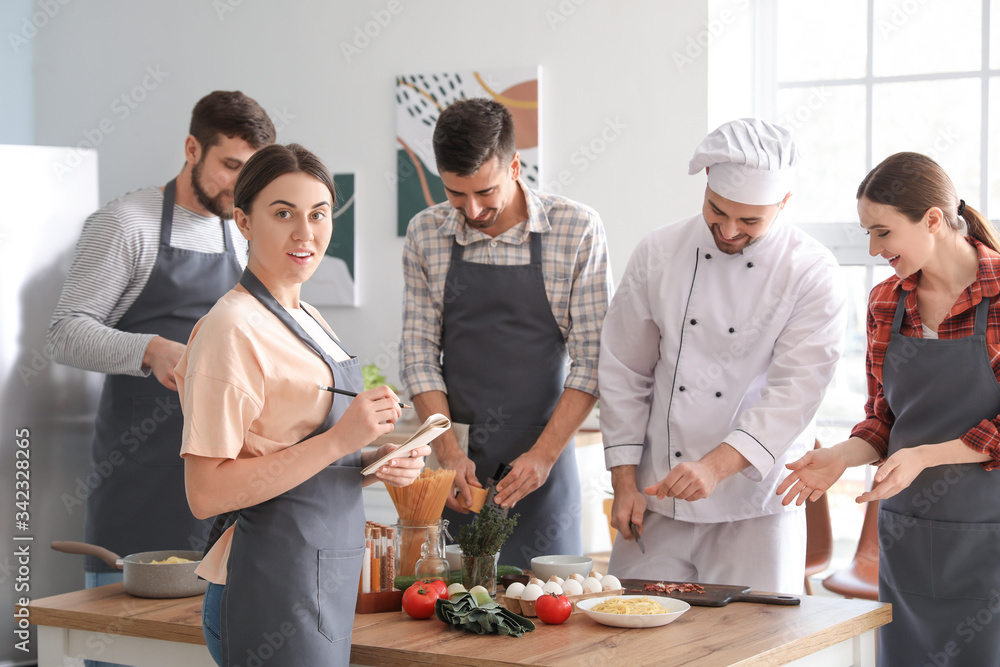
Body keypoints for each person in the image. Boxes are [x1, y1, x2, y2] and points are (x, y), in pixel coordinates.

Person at [178, 143, 429, 666]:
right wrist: (342, 439)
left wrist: (371, 462)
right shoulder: (231, 329)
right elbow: (207, 492)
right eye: (283, 213)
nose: (305, 233)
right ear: (244, 222)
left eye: (318, 215)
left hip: (322, 578)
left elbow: (298, 454)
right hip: (269, 582)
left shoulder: (308, 315)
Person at [599, 118, 848, 594]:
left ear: (784, 204)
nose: (729, 230)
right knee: (632, 641)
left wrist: (714, 467)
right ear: (706, 184)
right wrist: (624, 481)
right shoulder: (659, 251)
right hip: (657, 498)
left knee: (750, 651)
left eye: (750, 221)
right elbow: (625, 370)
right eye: (717, 210)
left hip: (754, 509)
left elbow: (794, 393)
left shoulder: (812, 272)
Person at [46, 91, 275, 591]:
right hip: (142, 478)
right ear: (192, 149)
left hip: (222, 480)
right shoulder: (126, 224)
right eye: (230, 166)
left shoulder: (241, 230)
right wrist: (151, 349)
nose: (240, 185)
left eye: (251, 172)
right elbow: (64, 333)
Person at [778, 152, 1000, 664]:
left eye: (883, 233)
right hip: (907, 536)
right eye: (867, 235)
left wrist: (925, 456)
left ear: (933, 220)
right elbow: (884, 418)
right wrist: (842, 455)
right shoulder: (886, 303)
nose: (875, 250)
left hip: (988, 535)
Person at [400, 98, 613, 568]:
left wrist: (544, 454)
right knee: (450, 613)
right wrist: (448, 454)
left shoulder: (576, 229)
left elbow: (594, 359)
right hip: (459, 473)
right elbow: (418, 356)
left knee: (546, 621)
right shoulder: (425, 234)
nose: (472, 210)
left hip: (545, 464)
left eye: (485, 192)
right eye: (456, 194)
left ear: (515, 165)